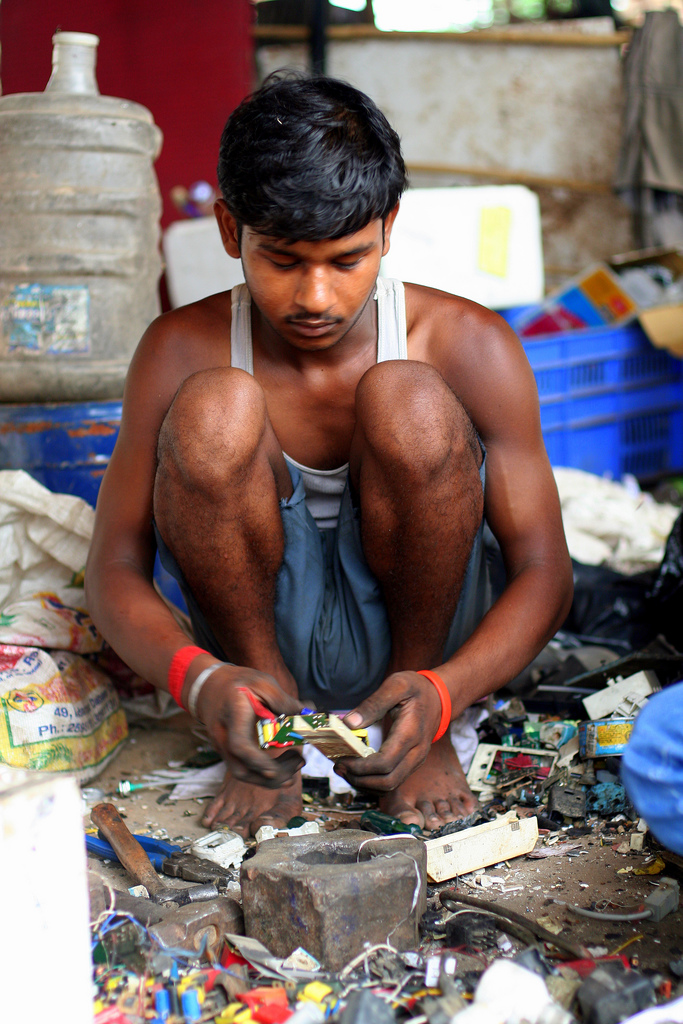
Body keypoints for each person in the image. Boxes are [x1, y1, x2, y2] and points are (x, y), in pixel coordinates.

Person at [85, 73, 573, 837]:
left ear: (387, 228)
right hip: (254, 651)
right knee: (215, 407)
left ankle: (417, 731)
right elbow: (113, 566)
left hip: (429, 646)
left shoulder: (467, 343)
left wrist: (444, 694)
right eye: (282, 259)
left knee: (408, 397)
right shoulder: (178, 347)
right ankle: (272, 737)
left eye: (345, 261)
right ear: (227, 230)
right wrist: (201, 678)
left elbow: (545, 569)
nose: (314, 296)